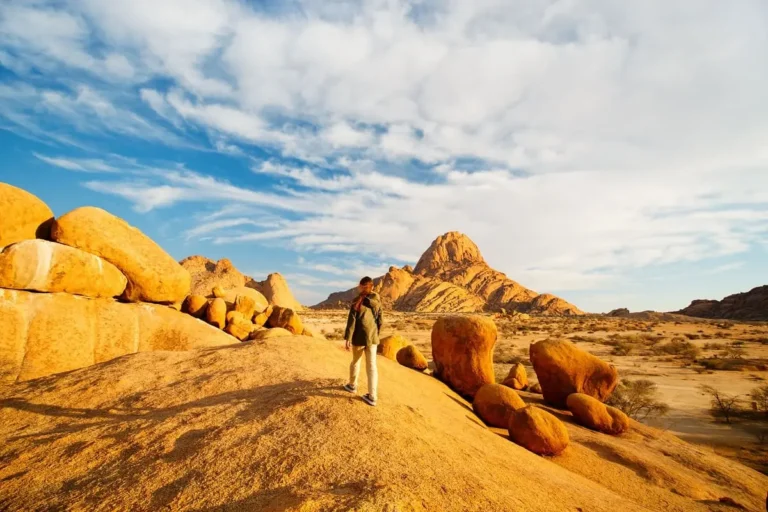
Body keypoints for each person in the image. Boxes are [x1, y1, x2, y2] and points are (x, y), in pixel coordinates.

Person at [343, 276, 382, 406]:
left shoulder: (357, 301)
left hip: (359, 337)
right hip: (372, 337)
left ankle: (352, 385)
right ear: (372, 287)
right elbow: (380, 319)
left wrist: (348, 337)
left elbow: (351, 321)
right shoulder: (376, 299)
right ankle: (372, 396)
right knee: (372, 366)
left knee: (355, 361)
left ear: (360, 286)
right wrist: (377, 333)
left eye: (361, 286)